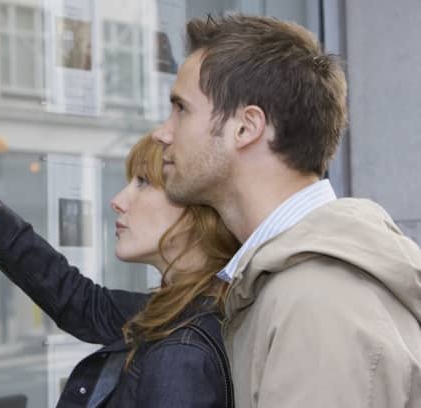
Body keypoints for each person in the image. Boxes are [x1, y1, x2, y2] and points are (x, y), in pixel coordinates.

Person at [152, 14, 421, 407]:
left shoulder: (317, 304)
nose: (162, 132)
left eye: (181, 108)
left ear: (246, 128)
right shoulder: (292, 284)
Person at [0, 128, 240, 407]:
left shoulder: (182, 349)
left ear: (197, 210)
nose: (118, 201)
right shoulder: (178, 311)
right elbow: (79, 301)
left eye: (143, 183)